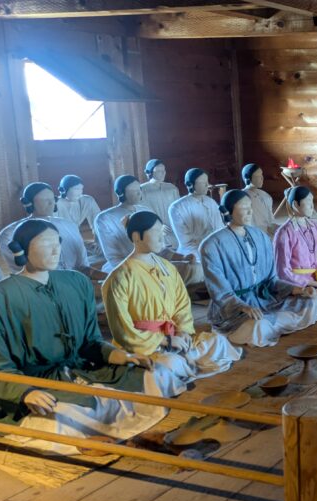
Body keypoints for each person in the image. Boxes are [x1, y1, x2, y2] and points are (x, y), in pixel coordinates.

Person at [0, 219, 168, 455]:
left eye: (57, 243)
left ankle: (113, 433)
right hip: (36, 384)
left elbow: (91, 342)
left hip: (82, 371)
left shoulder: (75, 282)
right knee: (65, 415)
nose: (55, 250)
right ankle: (89, 440)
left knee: (154, 379)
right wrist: (25, 392)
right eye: (45, 243)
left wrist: (119, 355)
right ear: (21, 250)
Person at [103, 211, 240, 391]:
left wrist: (182, 332)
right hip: (143, 346)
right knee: (168, 364)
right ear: (137, 236)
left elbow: (182, 305)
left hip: (174, 338)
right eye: (155, 232)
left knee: (218, 342)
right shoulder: (119, 278)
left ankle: (184, 363)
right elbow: (124, 331)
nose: (162, 237)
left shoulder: (167, 267)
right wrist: (164, 341)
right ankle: (180, 366)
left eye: (162, 231)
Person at [200, 189, 317, 347]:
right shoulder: (211, 245)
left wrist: (298, 289)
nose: (249, 211)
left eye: (250, 207)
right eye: (243, 207)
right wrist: (242, 306)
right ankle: (264, 327)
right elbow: (219, 291)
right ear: (228, 211)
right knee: (258, 326)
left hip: (265, 300)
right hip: (234, 309)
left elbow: (272, 281)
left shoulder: (260, 236)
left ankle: (272, 325)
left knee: (312, 303)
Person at [95, 175, 201, 284]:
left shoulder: (145, 210)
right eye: (133, 190)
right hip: (127, 266)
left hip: (153, 262)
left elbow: (161, 248)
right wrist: (137, 269)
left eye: (139, 189)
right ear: (120, 192)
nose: (138, 193)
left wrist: (183, 257)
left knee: (195, 268)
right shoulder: (105, 218)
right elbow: (113, 256)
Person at [0, 182, 89, 274]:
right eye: (44, 200)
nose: (51, 203)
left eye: (52, 199)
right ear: (28, 203)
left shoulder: (69, 225)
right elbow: (21, 268)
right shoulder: (9, 233)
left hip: (75, 279)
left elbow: (82, 262)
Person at [168, 167, 223, 263]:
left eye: (207, 181)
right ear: (190, 184)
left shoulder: (211, 202)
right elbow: (186, 241)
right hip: (192, 255)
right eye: (202, 182)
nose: (207, 185)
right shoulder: (177, 207)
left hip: (215, 250)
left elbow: (220, 228)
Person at [139, 159, 181, 241]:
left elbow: (178, 209)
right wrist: (156, 225)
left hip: (173, 229)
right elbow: (142, 211)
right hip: (153, 231)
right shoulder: (142, 189)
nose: (163, 173)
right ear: (150, 172)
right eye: (158, 171)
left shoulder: (171, 188)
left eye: (164, 170)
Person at [241, 163, 278, 236]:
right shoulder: (242, 198)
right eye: (257, 176)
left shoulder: (266, 196)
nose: (262, 178)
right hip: (255, 234)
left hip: (268, 232)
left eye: (262, 175)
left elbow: (271, 219)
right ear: (248, 178)